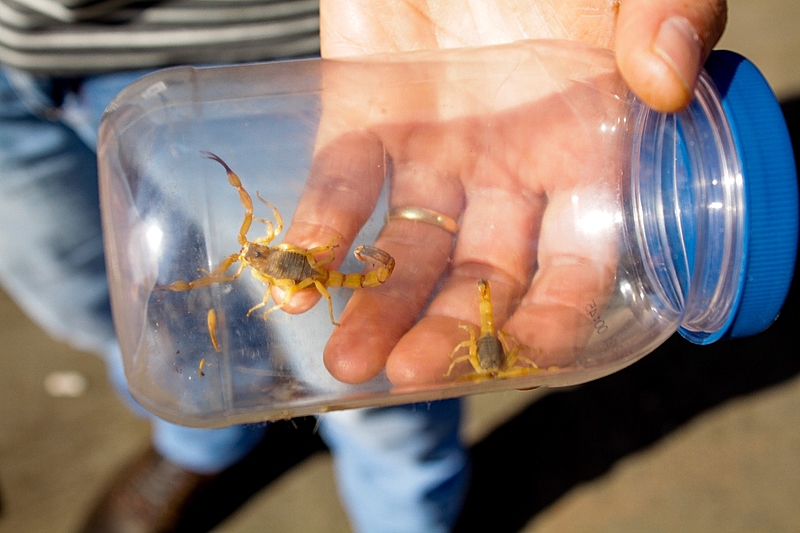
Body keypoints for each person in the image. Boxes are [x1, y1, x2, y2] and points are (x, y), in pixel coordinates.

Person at [0, 1, 727, 532]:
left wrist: (277, 270)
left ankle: (409, 512)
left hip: (279, 51)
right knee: (108, 308)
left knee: (369, 372)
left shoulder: (267, 241)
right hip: (21, 58)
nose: (251, 249)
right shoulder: (270, 249)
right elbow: (277, 269)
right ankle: (200, 445)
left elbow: (278, 257)